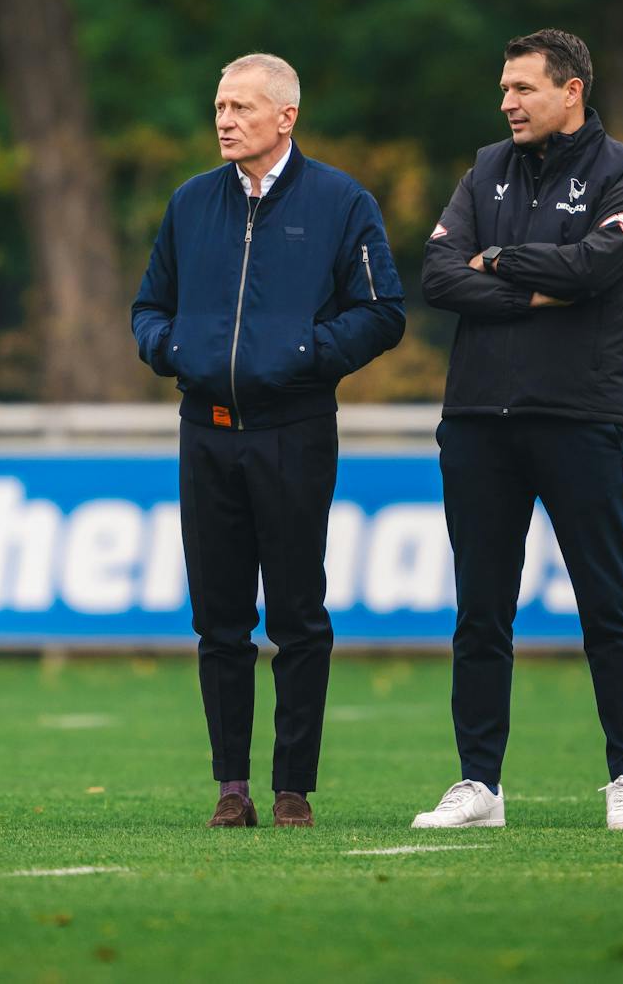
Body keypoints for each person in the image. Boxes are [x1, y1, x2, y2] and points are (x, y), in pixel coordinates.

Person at [132, 53, 406, 828]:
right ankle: (230, 787)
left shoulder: (341, 202)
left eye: (241, 107)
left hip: (295, 434)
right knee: (217, 620)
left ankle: (293, 788)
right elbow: (149, 305)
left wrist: (303, 357)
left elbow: (384, 309)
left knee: (297, 616)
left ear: (285, 116)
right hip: (206, 435)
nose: (224, 119)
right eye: (219, 106)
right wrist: (170, 349)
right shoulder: (190, 204)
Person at [415, 29, 623, 830]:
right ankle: (479, 784)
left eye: (522, 88)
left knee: (607, 602)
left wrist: (500, 259)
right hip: (478, 421)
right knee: (480, 610)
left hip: (580, 417)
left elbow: (595, 269)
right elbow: (438, 276)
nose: (507, 103)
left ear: (571, 92)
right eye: (505, 88)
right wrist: (532, 282)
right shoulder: (485, 168)